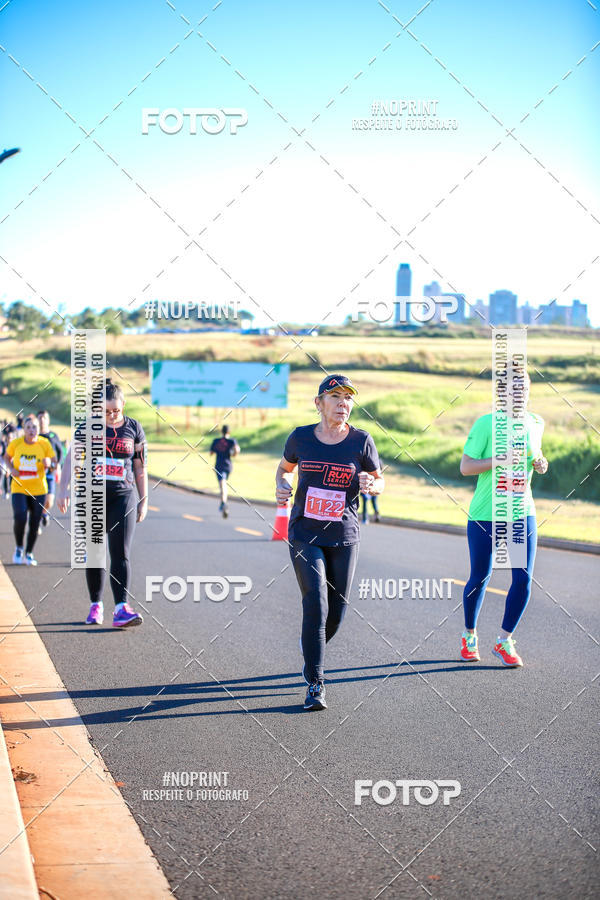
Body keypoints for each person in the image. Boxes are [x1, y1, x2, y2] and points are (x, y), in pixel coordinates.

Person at [276, 374, 384, 711]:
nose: (343, 403)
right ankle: (316, 683)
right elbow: (284, 469)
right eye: (335, 396)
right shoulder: (301, 437)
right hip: (305, 533)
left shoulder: (361, 441)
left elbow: (379, 480)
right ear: (319, 403)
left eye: (348, 397)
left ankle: (312, 645)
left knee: (335, 614)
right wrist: (282, 484)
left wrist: (372, 485)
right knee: (316, 603)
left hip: (344, 535)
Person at [459, 372, 548, 667]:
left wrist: (541, 463)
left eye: (524, 388)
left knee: (523, 579)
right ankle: (469, 635)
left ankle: (504, 640)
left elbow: (536, 456)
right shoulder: (486, 424)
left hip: (521, 512)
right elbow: (465, 467)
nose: (520, 393)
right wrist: (500, 459)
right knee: (480, 576)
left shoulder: (536, 423)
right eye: (514, 388)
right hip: (486, 514)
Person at [57, 378, 148, 628]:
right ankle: (95, 605)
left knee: (120, 553)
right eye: (106, 411)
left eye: (116, 410)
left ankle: (121, 609)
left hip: (123, 496)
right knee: (95, 552)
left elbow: (140, 466)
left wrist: (144, 500)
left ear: (123, 405)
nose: (111, 415)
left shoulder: (134, 428)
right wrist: (63, 489)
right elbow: (71, 459)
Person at [3, 415, 56, 565]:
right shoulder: (16, 443)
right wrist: (11, 468)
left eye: (34, 427)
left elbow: (54, 463)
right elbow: (6, 457)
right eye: (28, 427)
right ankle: (19, 547)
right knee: (20, 517)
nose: (32, 430)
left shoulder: (44, 444)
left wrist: (49, 464)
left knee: (35, 522)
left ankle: (29, 553)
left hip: (38, 489)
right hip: (19, 487)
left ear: (38, 429)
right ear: (24, 430)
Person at [37, 410, 63, 530]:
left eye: (44, 418)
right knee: (35, 500)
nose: (42, 420)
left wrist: (58, 466)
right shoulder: (34, 436)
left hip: (50, 473)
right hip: (36, 474)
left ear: (48, 420)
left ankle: (43, 513)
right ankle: (36, 521)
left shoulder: (53, 436)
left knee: (49, 502)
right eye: (40, 418)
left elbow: (60, 452)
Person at [209, 425, 240, 518]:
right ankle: (223, 502)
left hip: (219, 466)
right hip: (228, 466)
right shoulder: (232, 441)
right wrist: (233, 453)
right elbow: (237, 450)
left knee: (223, 484)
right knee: (224, 483)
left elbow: (211, 453)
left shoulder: (216, 441)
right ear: (229, 432)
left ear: (221, 432)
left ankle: (223, 502)